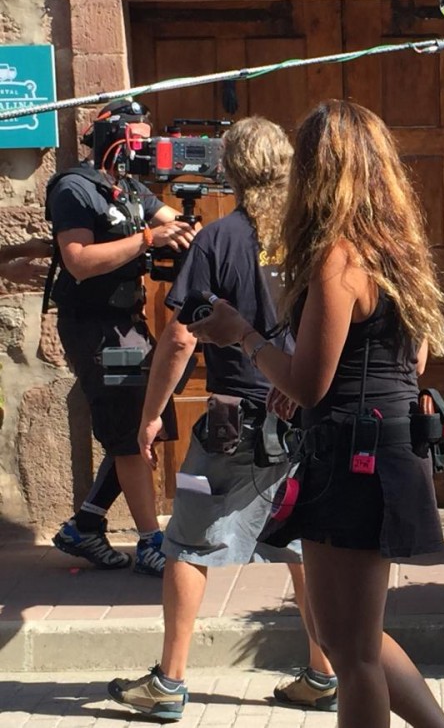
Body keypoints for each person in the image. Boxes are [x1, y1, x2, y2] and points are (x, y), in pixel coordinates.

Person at [189, 100, 444, 728]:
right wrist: (315, 379)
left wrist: (241, 335)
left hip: (352, 457)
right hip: (385, 446)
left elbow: (309, 384)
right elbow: (411, 359)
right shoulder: (396, 250)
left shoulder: (339, 257)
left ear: (320, 172)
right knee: (351, 638)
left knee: (350, 651)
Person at [107, 117, 337, 721]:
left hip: (233, 419)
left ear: (230, 170)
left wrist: (152, 415)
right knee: (305, 547)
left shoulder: (219, 239)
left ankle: (170, 682)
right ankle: (323, 673)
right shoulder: (318, 236)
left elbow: (181, 338)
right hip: (306, 414)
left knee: (186, 543)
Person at [47, 98, 198, 576]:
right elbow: (78, 261)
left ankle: (86, 524)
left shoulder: (128, 187)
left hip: (126, 324)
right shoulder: (75, 188)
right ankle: (151, 541)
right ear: (114, 138)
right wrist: (148, 240)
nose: (145, 151)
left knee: (146, 418)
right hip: (93, 325)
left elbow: (168, 218)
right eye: (139, 141)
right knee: (130, 429)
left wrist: (194, 229)